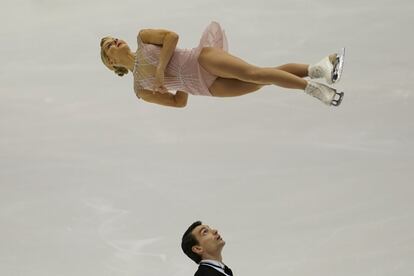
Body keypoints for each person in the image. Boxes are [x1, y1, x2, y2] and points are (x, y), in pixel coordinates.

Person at [100, 21, 345, 108]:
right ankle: (320, 69)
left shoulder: (142, 38)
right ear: (111, 64)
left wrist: (163, 70)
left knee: (256, 73)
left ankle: (315, 90)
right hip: (205, 87)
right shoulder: (141, 90)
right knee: (263, 80)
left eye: (113, 38)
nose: (115, 41)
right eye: (109, 46)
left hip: (200, 59)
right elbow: (178, 102)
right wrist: (177, 84)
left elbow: (171, 37)